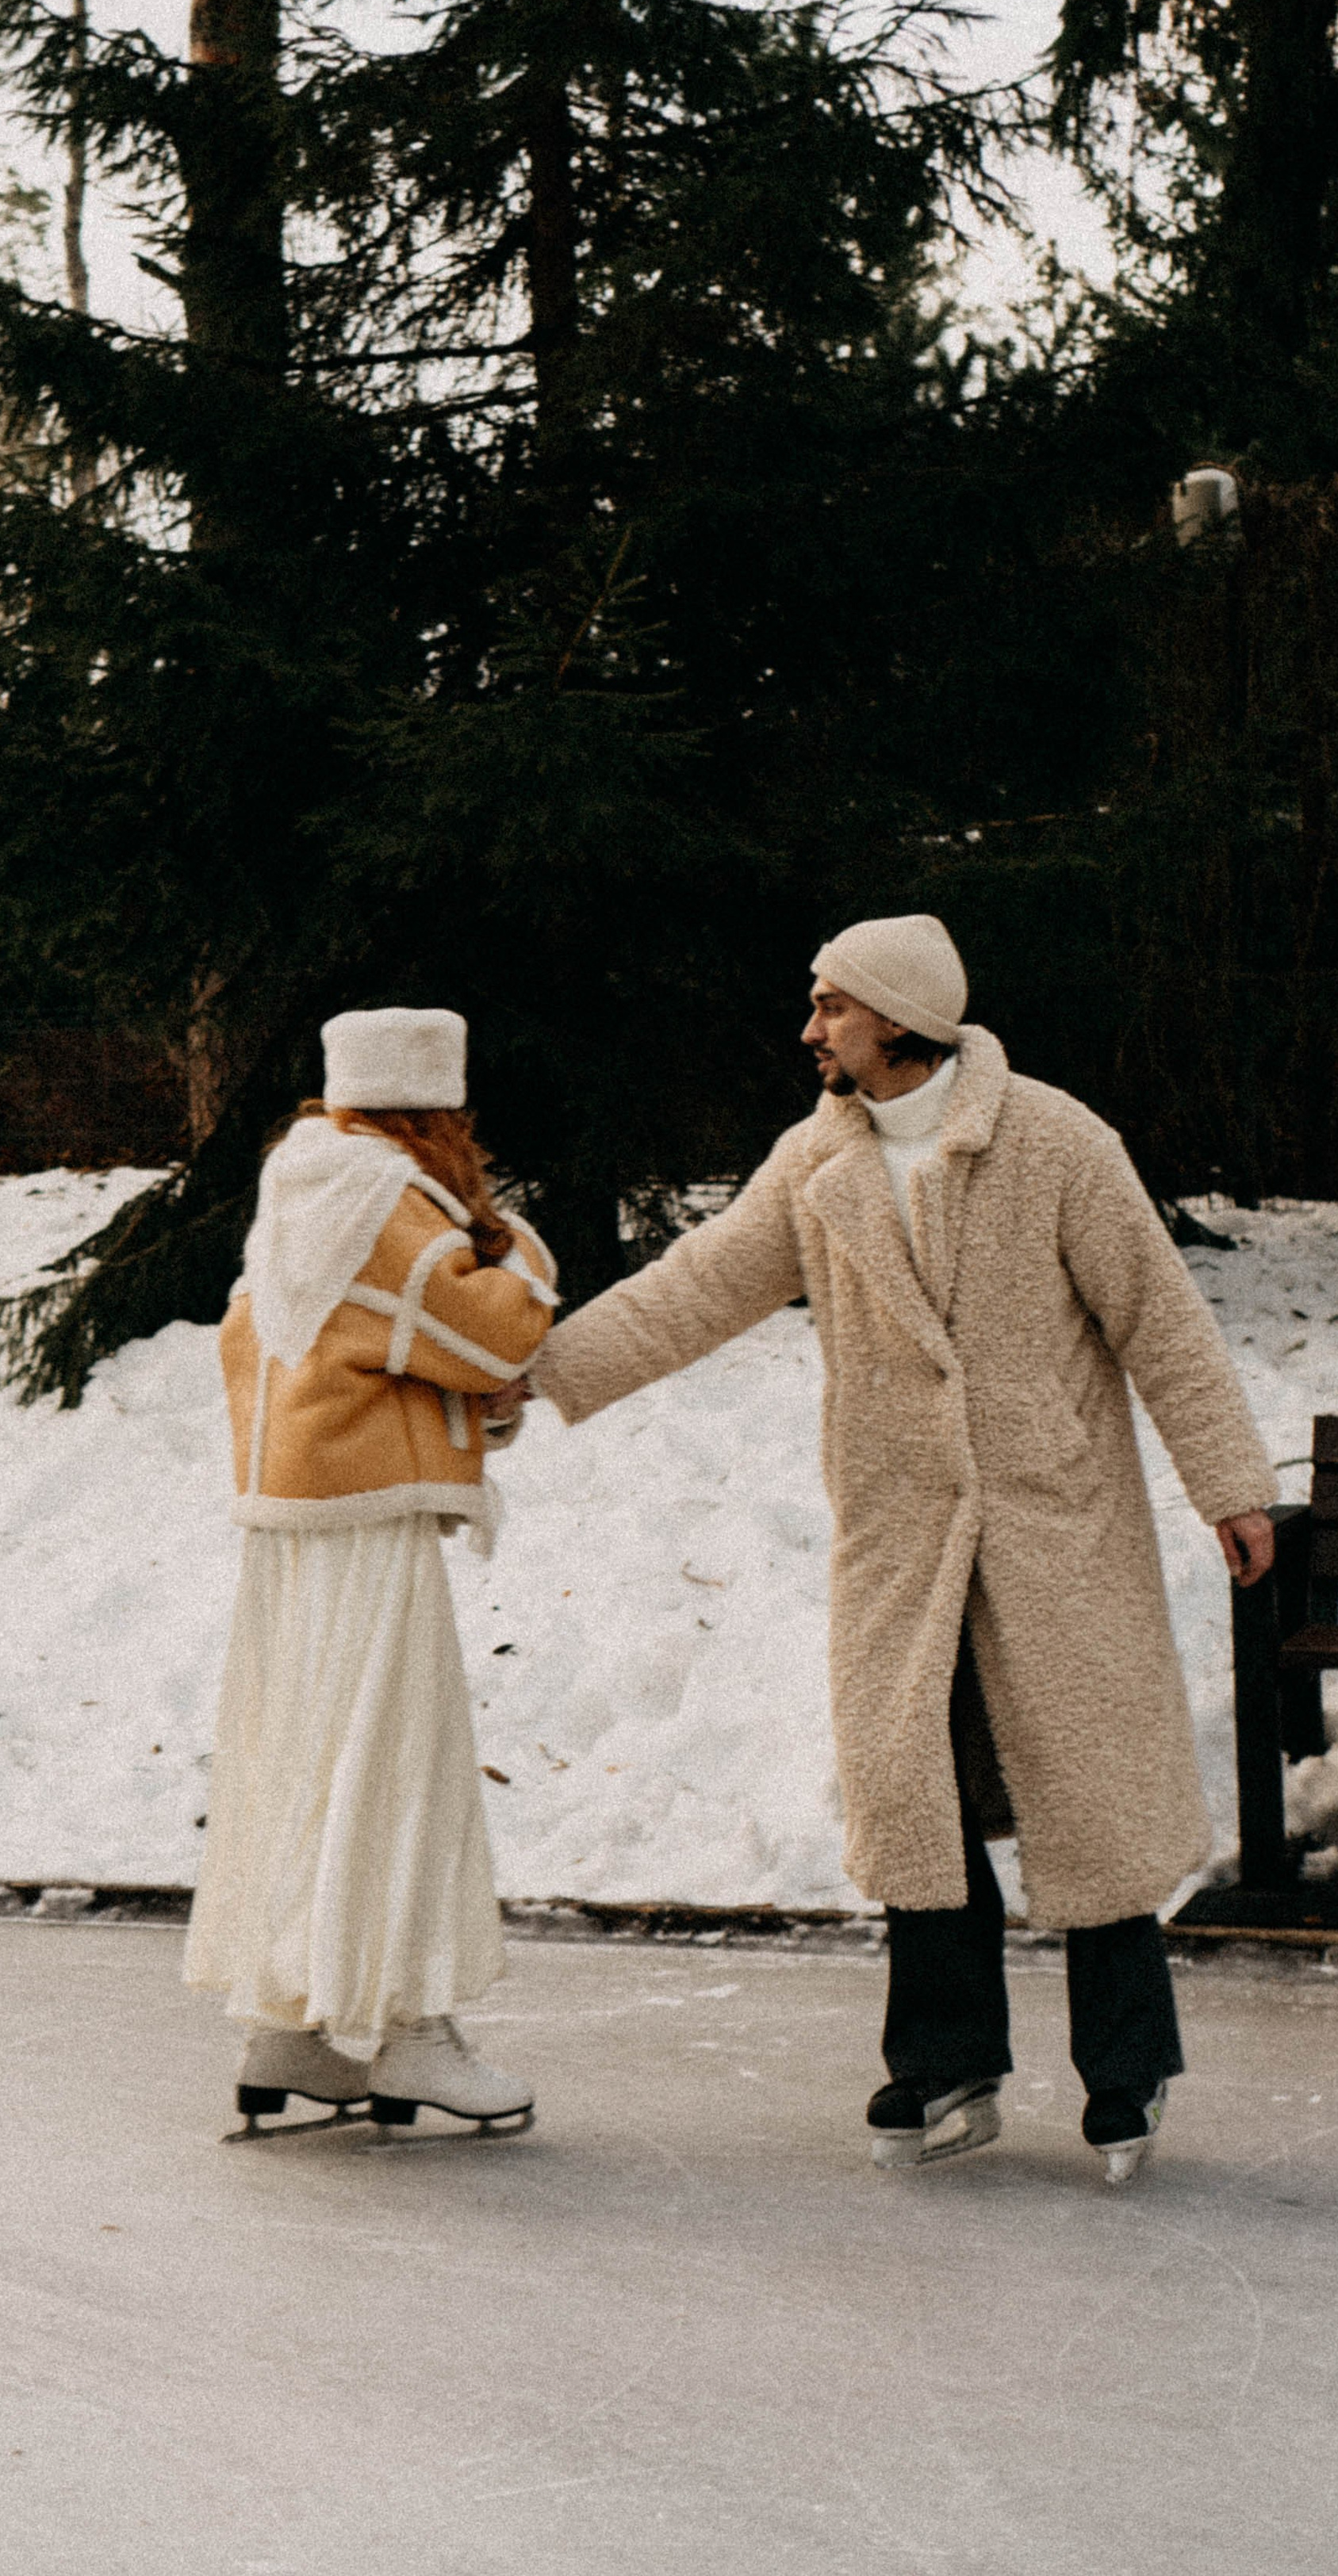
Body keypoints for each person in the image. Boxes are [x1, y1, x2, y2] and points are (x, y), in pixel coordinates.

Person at [525, 916, 1276, 2186]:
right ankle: (944, 2056)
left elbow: (1163, 1317)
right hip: (903, 1534)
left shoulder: (1052, 1140)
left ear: (895, 1018)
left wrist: (1234, 1484)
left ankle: (1127, 2069)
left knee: (1088, 1798)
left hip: (1052, 1525)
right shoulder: (819, 1161)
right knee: (913, 1790)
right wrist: (542, 1370)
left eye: (829, 1006)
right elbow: (699, 1285)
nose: (810, 1029)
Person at [183, 1006, 558, 2136]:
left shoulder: (300, 1193)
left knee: (305, 1764)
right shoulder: (385, 1206)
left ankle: (289, 2025)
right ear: (429, 1110)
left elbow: (371, 1361)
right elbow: (495, 1328)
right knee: (398, 1764)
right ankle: (409, 2035)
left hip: (295, 1531)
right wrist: (525, 1243)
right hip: (366, 1534)